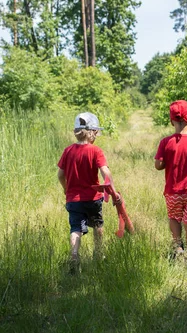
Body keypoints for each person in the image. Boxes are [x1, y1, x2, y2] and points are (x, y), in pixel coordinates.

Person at [57, 112, 120, 273]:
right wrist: (110, 187)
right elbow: (105, 172)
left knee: (76, 228)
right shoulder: (95, 151)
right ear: (92, 132)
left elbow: (60, 174)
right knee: (97, 225)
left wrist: (66, 188)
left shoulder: (68, 151)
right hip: (93, 198)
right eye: (97, 132)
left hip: (73, 199)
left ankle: (74, 255)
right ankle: (99, 255)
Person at [154, 100, 187, 262]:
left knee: (174, 218)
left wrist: (166, 162)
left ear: (172, 121)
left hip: (173, 192)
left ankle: (178, 246)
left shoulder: (165, 142)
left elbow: (158, 165)